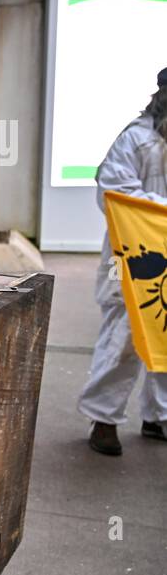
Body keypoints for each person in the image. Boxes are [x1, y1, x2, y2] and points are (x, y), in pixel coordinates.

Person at [78, 68, 167, 456]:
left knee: (164, 334)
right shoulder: (136, 139)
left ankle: (158, 416)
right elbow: (113, 192)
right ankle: (104, 419)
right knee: (126, 336)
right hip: (131, 258)